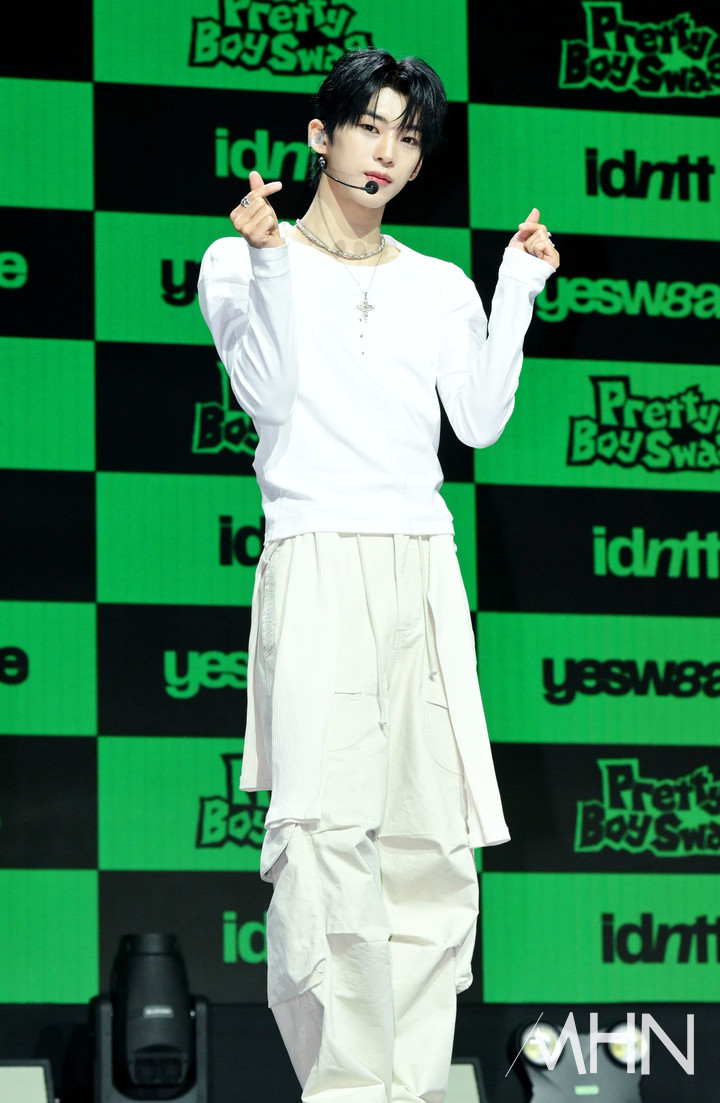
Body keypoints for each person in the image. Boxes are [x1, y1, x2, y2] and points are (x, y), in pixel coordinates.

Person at [198, 48, 559, 1103]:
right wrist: (269, 260)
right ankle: (348, 1087)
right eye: (369, 125)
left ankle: (413, 1085)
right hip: (317, 553)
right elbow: (270, 397)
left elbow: (477, 419)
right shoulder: (238, 260)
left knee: (433, 841)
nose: (387, 152)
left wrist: (516, 286)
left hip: (422, 563)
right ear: (321, 136)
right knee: (323, 837)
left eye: (408, 136)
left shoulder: (438, 283)